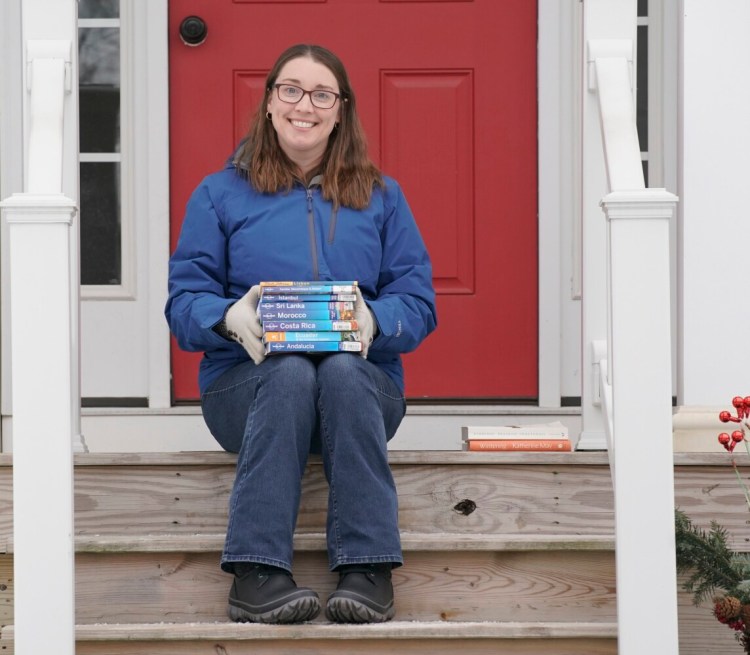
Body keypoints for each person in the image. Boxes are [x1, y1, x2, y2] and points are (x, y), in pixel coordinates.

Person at [165, 43, 437, 625]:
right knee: (287, 371)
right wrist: (227, 320)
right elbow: (183, 302)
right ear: (269, 103)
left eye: (321, 94)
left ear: (341, 111)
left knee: (340, 370)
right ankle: (256, 573)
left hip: (361, 394)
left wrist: (376, 322)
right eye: (290, 90)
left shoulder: (382, 198)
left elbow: (417, 303)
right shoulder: (219, 194)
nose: (304, 105)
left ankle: (368, 567)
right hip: (246, 394)